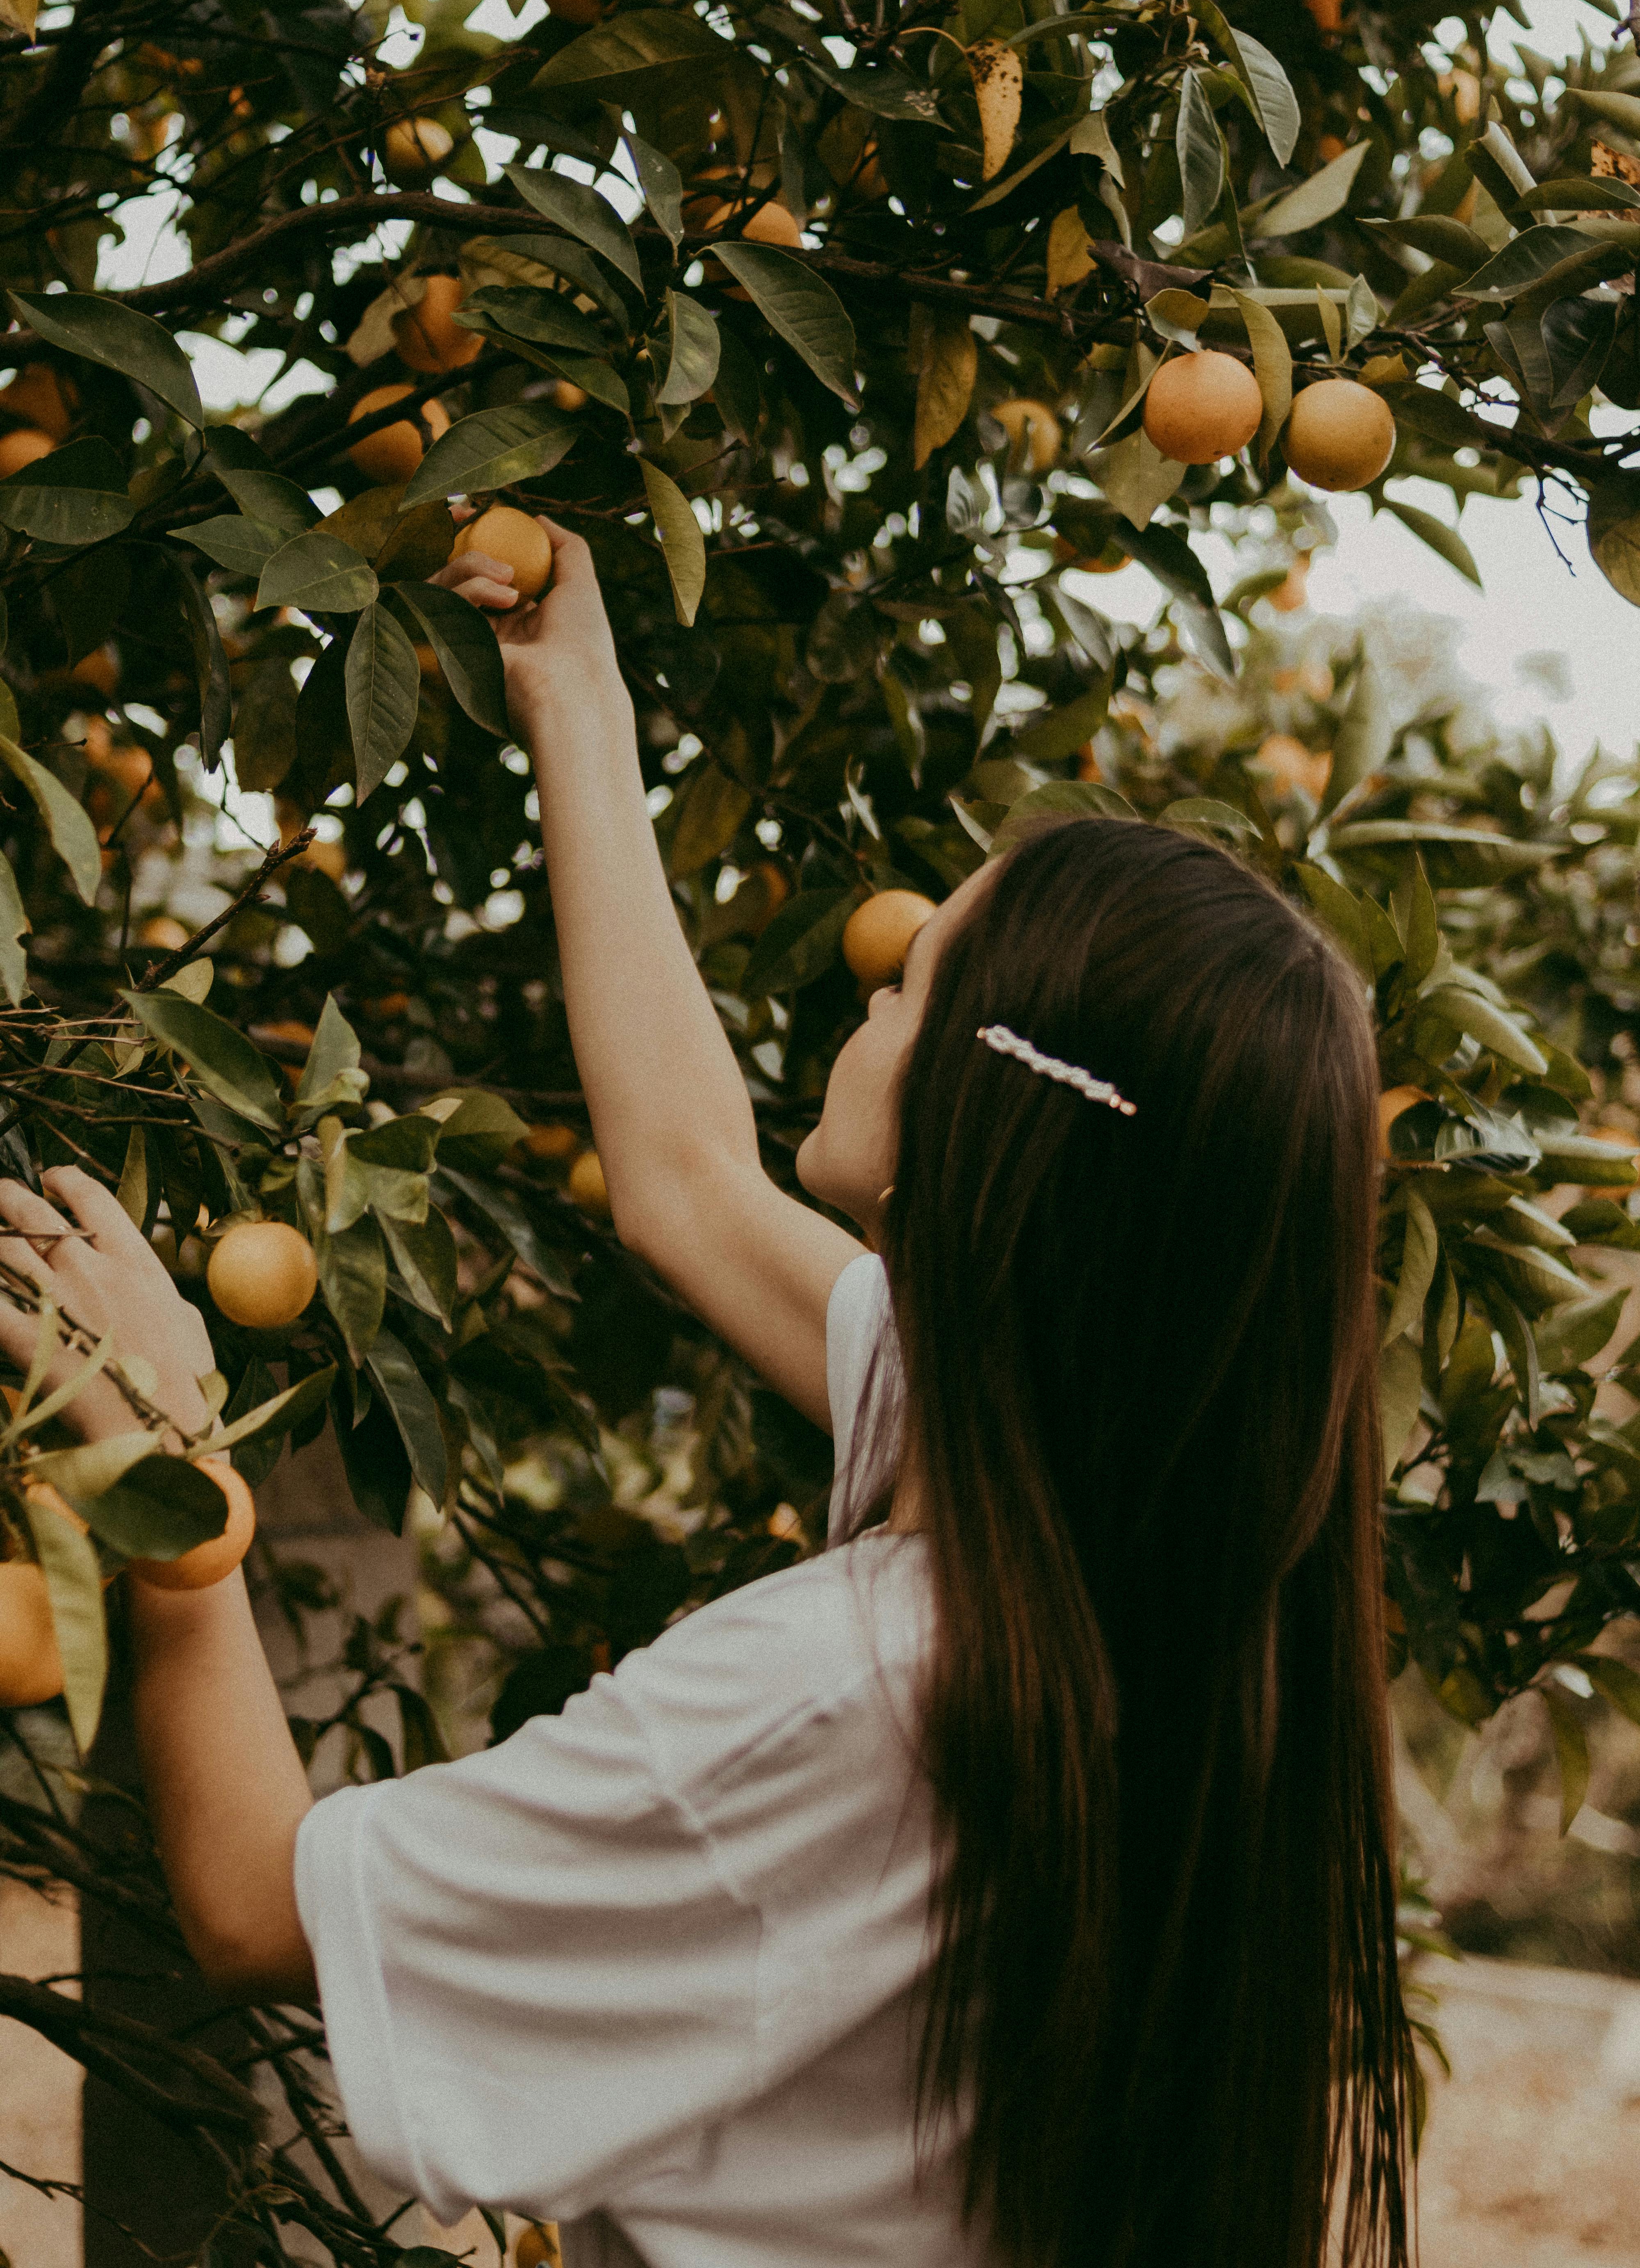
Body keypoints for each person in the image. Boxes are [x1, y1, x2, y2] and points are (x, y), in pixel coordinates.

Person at [0, 518, 1413, 2268]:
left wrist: (165, 1450)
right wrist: (573, 701)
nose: (863, 995)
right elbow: (680, 1185)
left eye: (905, 988)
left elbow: (251, 1898)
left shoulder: (842, 1692)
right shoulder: (1102, 1527)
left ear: (994, 1134)